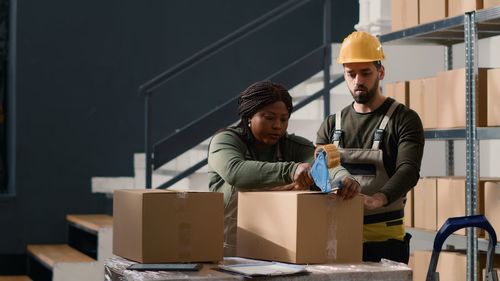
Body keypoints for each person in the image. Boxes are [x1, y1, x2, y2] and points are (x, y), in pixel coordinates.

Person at [208, 80, 360, 256]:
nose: (278, 126)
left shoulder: (291, 146)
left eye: (284, 119)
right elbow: (235, 172)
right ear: (249, 116)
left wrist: (345, 178)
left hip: (278, 248)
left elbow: (323, 164)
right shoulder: (226, 141)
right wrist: (290, 171)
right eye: (269, 117)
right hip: (228, 249)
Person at [315, 31, 424, 264]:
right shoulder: (332, 124)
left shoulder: (403, 119)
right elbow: (319, 167)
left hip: (385, 241)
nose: (358, 81)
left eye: (365, 73)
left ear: (380, 72)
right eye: (351, 74)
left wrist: (378, 198)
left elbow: (408, 169)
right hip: (336, 238)